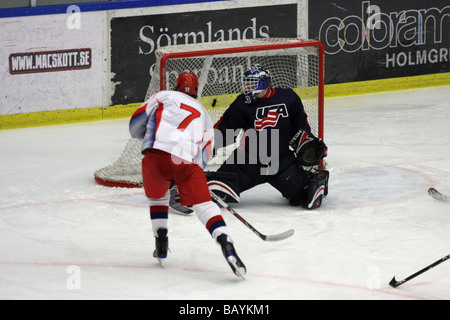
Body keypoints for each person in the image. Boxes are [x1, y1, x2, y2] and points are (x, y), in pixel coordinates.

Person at [129, 72, 246, 278]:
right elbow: (207, 150)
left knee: (158, 198)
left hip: (155, 154)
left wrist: (147, 138)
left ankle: (161, 242)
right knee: (204, 206)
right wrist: (193, 173)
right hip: (186, 160)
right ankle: (225, 241)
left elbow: (135, 124)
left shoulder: (163, 96)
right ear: (196, 91)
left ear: (176, 86)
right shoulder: (203, 113)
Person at [207, 64, 329, 209]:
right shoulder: (242, 103)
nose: (248, 86)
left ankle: (318, 178)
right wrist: (207, 147)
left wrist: (307, 145)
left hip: (281, 163)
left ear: (263, 82)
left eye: (252, 82)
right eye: (247, 82)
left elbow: (301, 128)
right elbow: (224, 130)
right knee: (213, 192)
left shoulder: (288, 97)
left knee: (306, 196)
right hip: (247, 163)